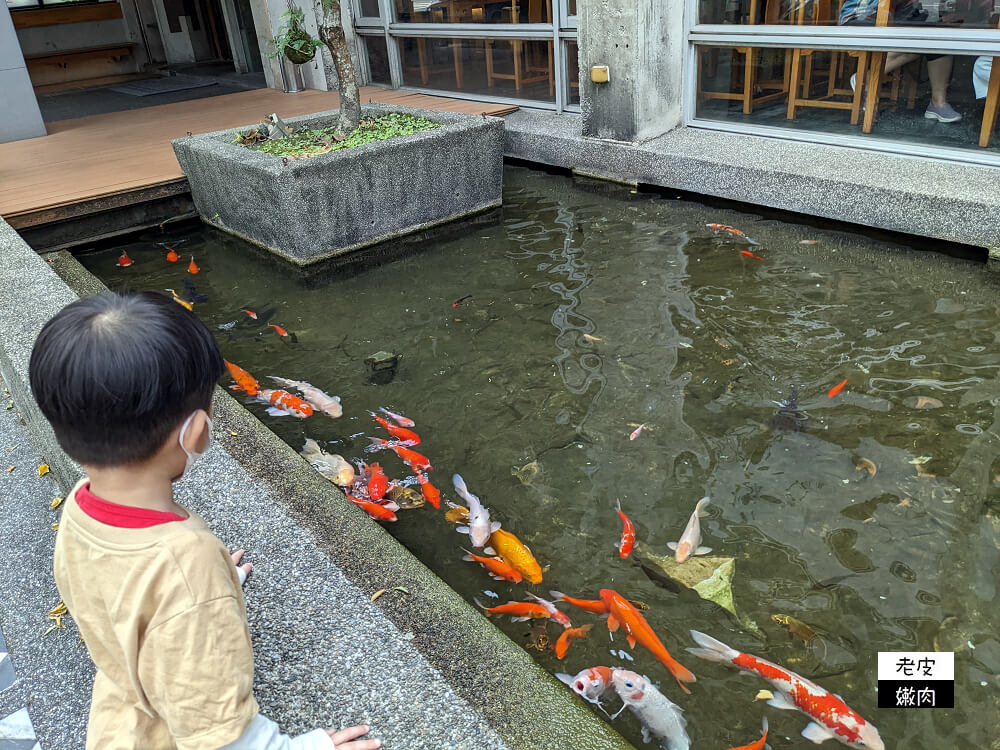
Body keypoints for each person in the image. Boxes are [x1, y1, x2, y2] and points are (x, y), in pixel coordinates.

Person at [28, 291, 381, 750]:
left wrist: (213, 588)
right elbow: (222, 738)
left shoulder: (81, 505)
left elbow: (123, 594)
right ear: (195, 430)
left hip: (118, 724)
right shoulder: (185, 561)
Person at [840, 0, 962, 123]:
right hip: (861, 17)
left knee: (940, 35)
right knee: (919, 38)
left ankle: (938, 103)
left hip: (894, 16)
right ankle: (865, 79)